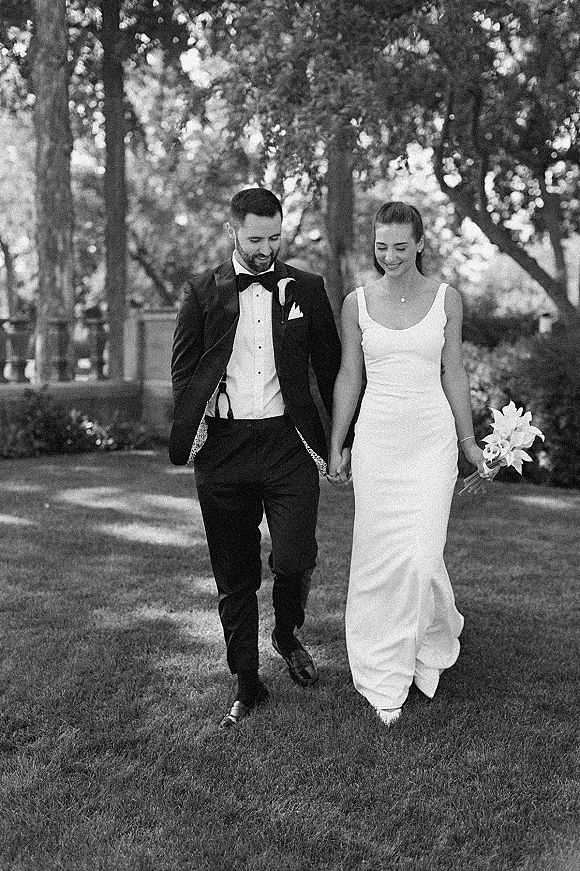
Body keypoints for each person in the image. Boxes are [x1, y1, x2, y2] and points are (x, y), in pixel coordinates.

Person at [169, 188, 351, 729]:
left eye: (274, 237)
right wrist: (198, 426)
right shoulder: (201, 292)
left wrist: (343, 439)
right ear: (233, 231)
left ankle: (287, 632)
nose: (266, 248)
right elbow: (183, 372)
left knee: (295, 556)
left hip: (288, 444)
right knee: (236, 575)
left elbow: (332, 368)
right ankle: (247, 683)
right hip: (224, 450)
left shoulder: (307, 289)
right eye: (255, 238)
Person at [328, 201, 495, 726]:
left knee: (421, 556)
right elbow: (349, 375)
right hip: (377, 441)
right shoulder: (356, 302)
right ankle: (383, 673)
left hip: (431, 441)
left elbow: (454, 371)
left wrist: (469, 443)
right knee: (378, 558)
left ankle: (428, 639)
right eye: (381, 247)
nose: (390, 256)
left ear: (420, 244)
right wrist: (337, 443)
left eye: (401, 247)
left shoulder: (447, 298)